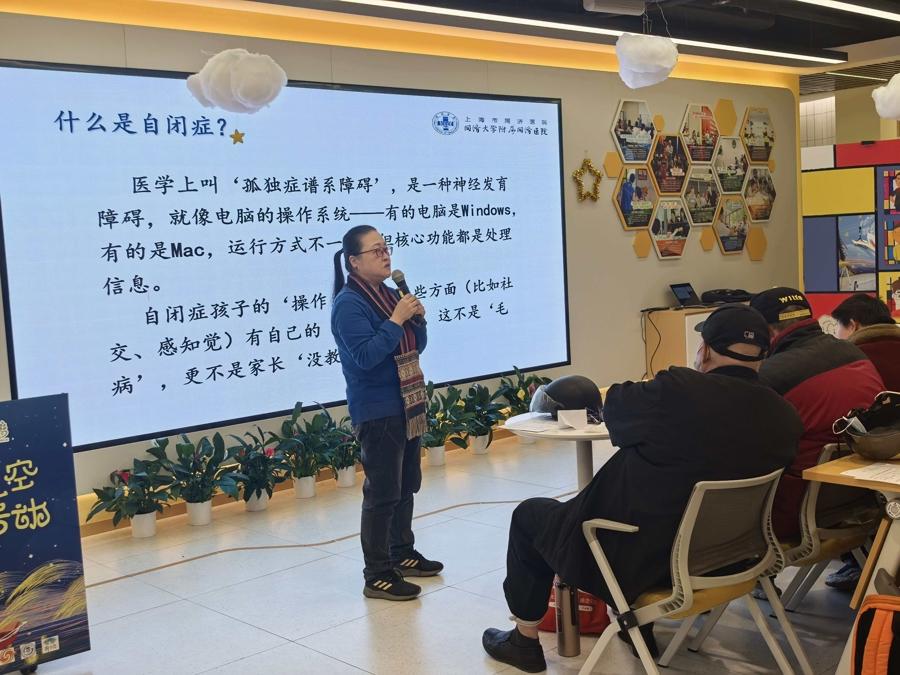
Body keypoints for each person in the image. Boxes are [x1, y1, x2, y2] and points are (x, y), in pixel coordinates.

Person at [481, 305, 802, 673]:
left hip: (642, 560)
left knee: (530, 515)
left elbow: (616, 410)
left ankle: (523, 641)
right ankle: (638, 626)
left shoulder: (677, 392)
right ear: (763, 356)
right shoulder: (784, 416)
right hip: (732, 559)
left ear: (705, 351)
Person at [331, 224, 442, 601]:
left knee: (406, 483)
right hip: (377, 409)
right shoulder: (349, 304)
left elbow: (414, 346)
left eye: (386, 248)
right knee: (382, 492)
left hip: (407, 403)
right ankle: (377, 574)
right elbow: (366, 356)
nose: (385, 255)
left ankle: (401, 553)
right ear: (354, 262)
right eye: (376, 250)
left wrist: (417, 320)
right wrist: (396, 320)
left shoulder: (391, 294)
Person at [749, 288, 884, 542]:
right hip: (861, 498)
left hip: (794, 514)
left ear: (764, 332)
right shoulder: (854, 353)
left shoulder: (770, 376)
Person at [825, 294, 900, 590]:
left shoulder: (851, 361)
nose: (836, 336)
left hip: (876, 465)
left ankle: (860, 564)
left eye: (838, 328)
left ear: (853, 325)